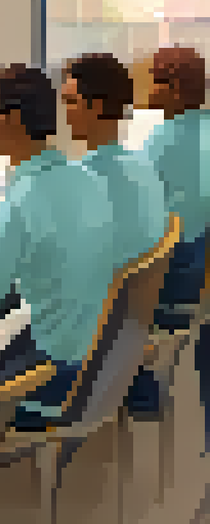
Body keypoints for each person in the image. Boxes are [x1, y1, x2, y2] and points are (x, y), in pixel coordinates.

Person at [0, 64, 126, 429]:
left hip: (56, 378)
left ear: (13, 120)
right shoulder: (85, 177)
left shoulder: (25, 196)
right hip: (101, 362)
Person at [62, 53, 171, 416]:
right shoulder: (143, 166)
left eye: (71, 102)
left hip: (93, 352)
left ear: (95, 106)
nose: (65, 112)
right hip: (127, 339)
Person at [137, 46, 210, 441]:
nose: (149, 89)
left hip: (175, 285)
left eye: (156, 80)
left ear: (177, 89)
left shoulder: (160, 141)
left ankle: (136, 385)